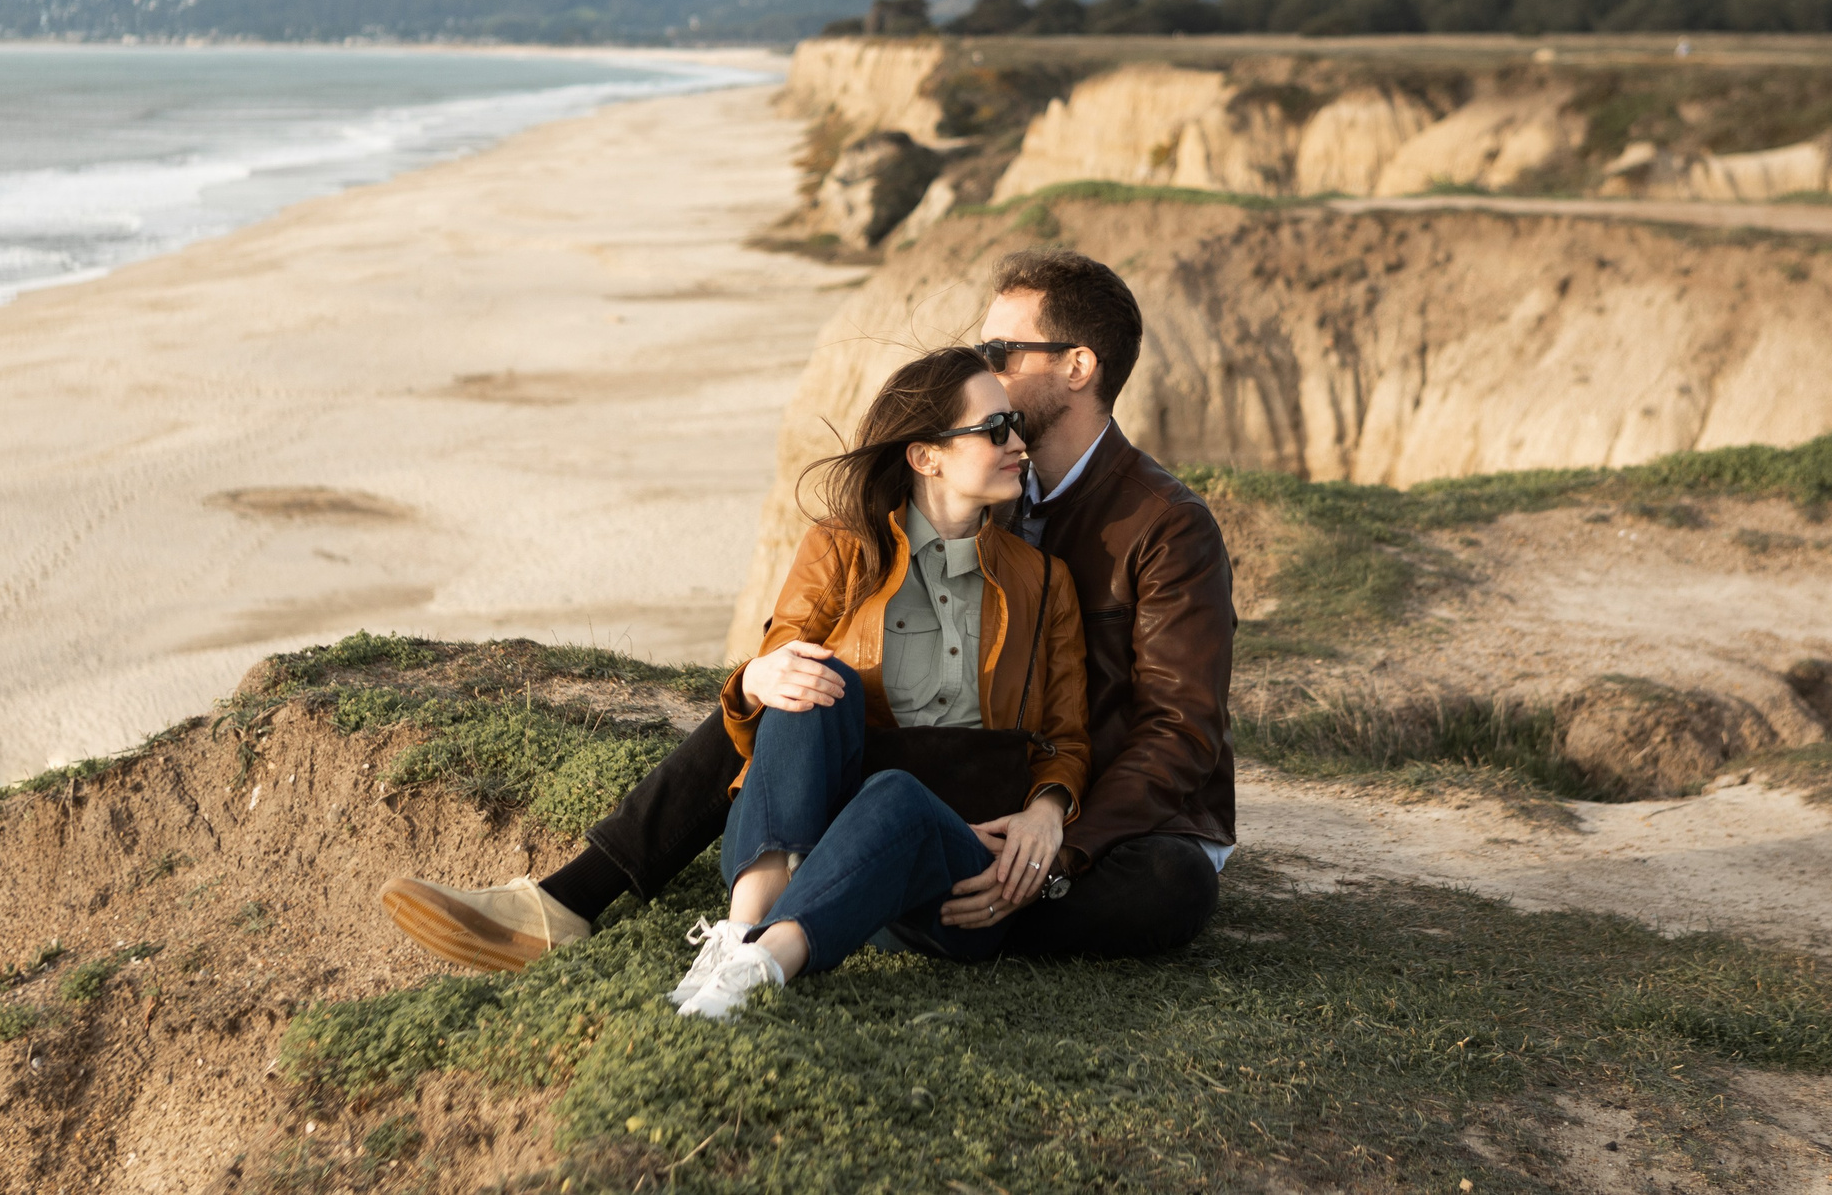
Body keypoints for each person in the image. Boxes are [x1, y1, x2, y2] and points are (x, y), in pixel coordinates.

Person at [379, 248, 1235, 969]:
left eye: (1004, 346)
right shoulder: (992, 487)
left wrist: (1060, 826)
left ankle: (895, 897)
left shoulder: (1165, 525)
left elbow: (1179, 732)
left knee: (1173, 888)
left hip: (1099, 817)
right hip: (961, 773)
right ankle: (570, 900)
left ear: (1078, 366)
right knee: (796, 681)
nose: (985, 361)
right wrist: (770, 671)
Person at [648, 346, 1088, 1019]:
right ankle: (740, 935)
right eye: (996, 429)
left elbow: (1065, 737)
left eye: (1018, 424)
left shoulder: (1044, 582)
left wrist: (1046, 812)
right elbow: (777, 692)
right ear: (926, 455)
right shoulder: (840, 549)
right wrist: (761, 675)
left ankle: (763, 963)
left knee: (899, 799)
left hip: (955, 873)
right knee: (811, 677)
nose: (1020, 443)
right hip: (823, 843)